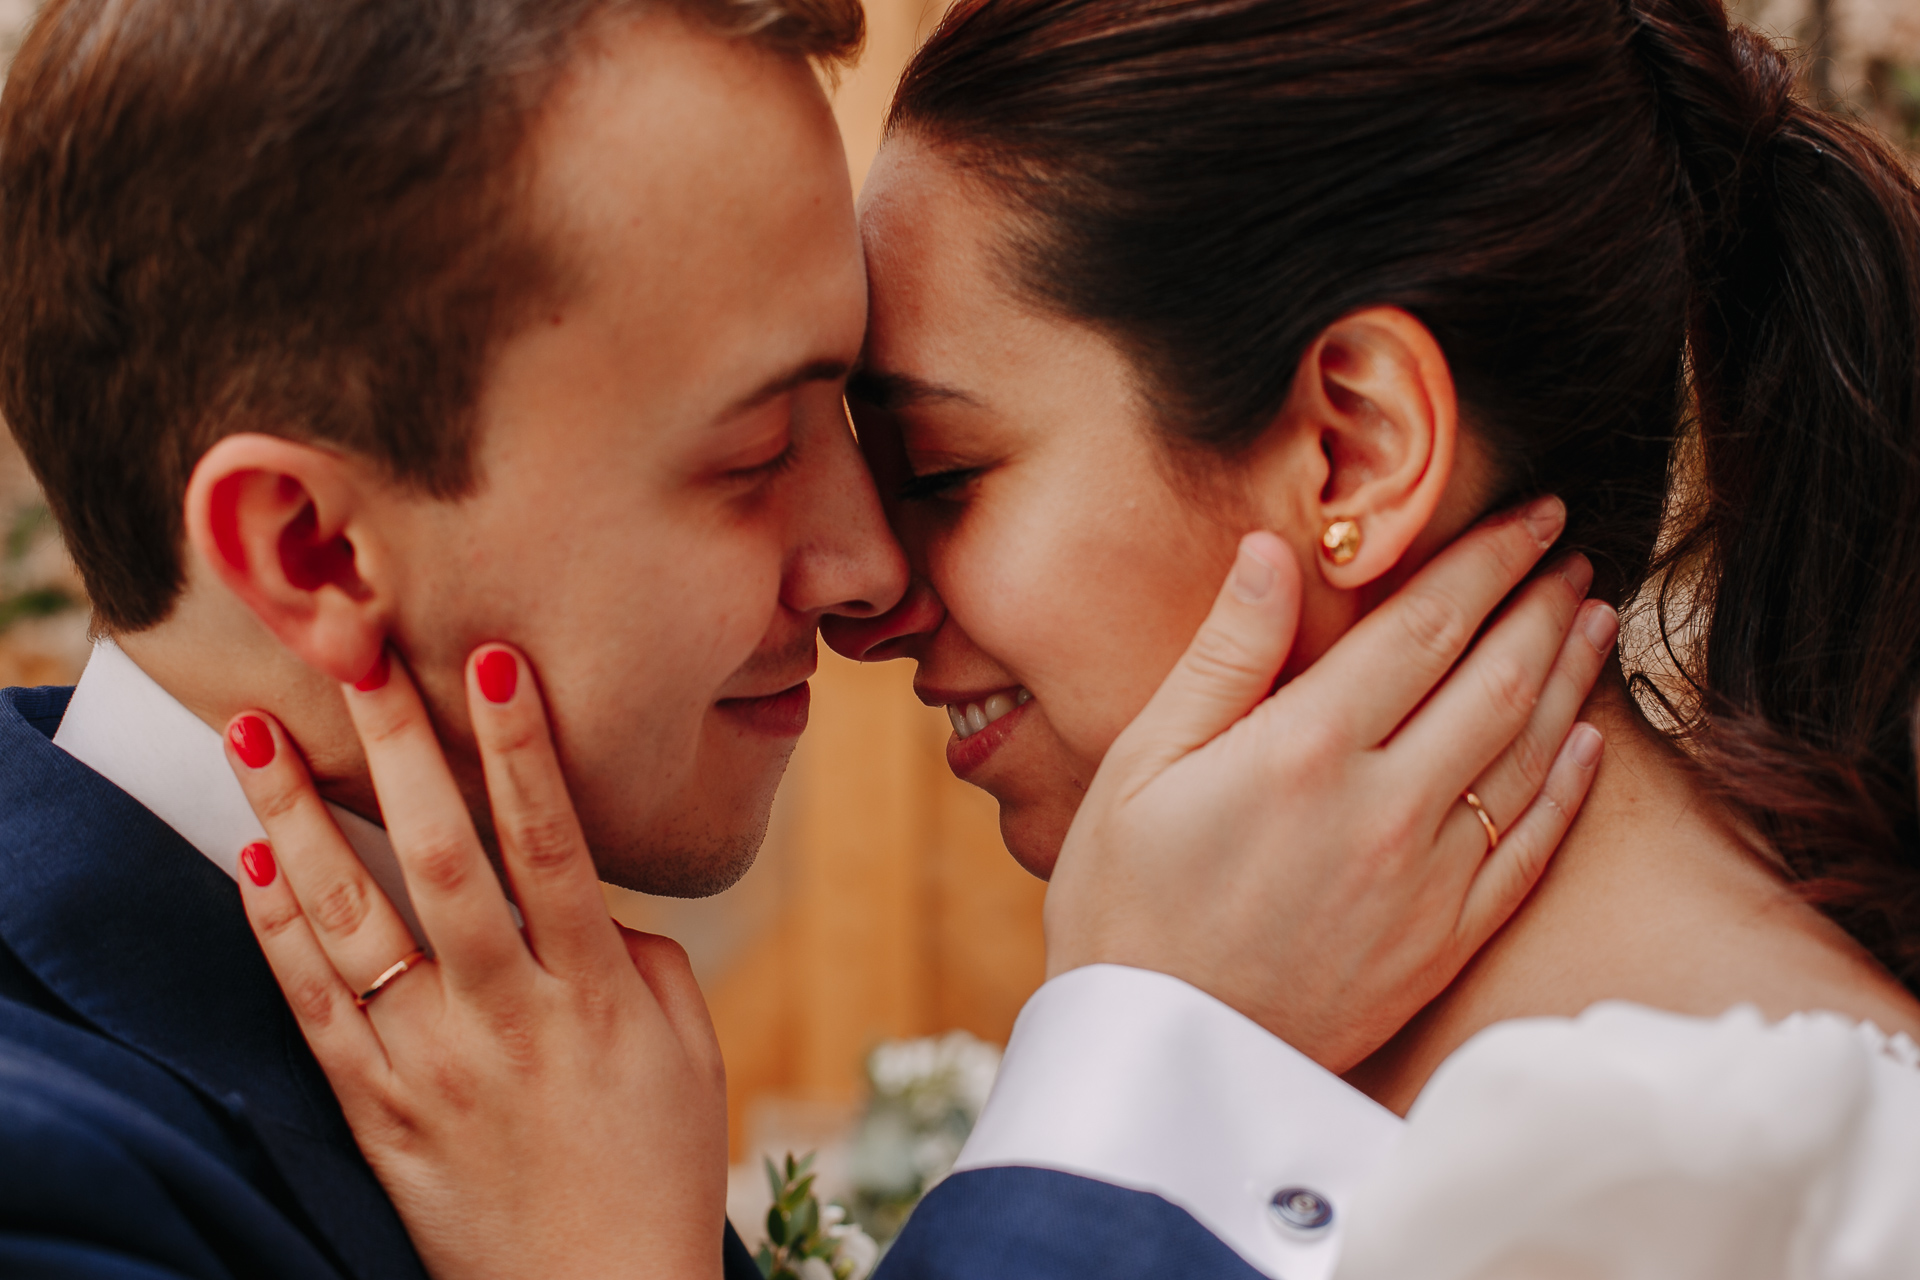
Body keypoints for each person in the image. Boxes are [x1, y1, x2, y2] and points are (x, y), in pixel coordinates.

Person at [0, 1, 1600, 1277]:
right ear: (310, 549)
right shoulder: (44, 1178)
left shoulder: (549, 1066)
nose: (863, 567)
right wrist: (1158, 1048)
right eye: (755, 458)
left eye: (870, 423)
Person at [816, 0, 1920, 1274]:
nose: (867, 597)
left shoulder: (1733, 1187)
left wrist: (1127, 1064)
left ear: (1356, 450)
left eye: (944, 468)